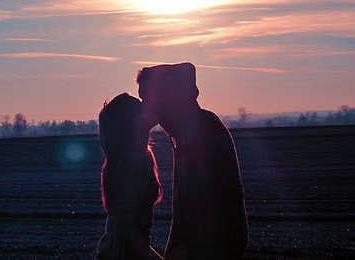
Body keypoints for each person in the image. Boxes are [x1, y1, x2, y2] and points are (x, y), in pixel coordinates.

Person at [136, 62, 248, 259]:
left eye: (146, 97)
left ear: (166, 97)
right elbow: (184, 211)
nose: (144, 106)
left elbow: (202, 206)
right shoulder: (190, 129)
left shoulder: (201, 132)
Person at [95, 93, 186, 260]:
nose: (147, 105)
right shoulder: (134, 162)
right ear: (130, 122)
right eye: (139, 108)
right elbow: (125, 226)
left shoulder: (140, 155)